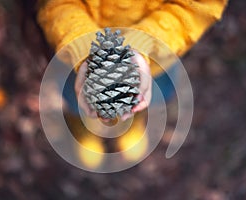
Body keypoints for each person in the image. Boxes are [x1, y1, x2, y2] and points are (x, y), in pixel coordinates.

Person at [37, 0, 228, 169]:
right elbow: (54, 4)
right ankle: (82, 126)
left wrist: (144, 43)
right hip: (79, 59)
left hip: (156, 57)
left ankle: (134, 122)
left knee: (144, 97)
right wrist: (89, 49)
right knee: (76, 99)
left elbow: (201, 5)